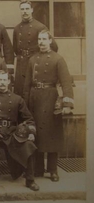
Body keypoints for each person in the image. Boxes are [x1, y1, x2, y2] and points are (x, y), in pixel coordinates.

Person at [23, 30, 73, 182]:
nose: (41, 42)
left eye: (44, 39)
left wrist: (67, 104)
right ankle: (38, 169)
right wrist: (25, 104)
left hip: (51, 99)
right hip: (35, 99)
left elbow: (66, 82)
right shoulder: (33, 59)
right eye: (39, 39)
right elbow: (27, 84)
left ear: (50, 41)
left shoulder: (58, 59)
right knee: (36, 133)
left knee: (52, 135)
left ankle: (52, 170)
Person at [0, 70, 39, 191]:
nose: (2, 83)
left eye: (5, 80)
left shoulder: (17, 99)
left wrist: (30, 132)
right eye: (0, 80)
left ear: (9, 82)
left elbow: (29, 119)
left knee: (29, 145)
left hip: (12, 133)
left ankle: (30, 180)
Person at [13, 0, 58, 96]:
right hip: (21, 66)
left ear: (32, 10)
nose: (24, 11)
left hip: (35, 64)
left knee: (32, 92)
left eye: (27, 9)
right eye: (22, 9)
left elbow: (54, 47)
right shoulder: (17, 29)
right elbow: (16, 49)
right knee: (21, 92)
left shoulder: (40, 27)